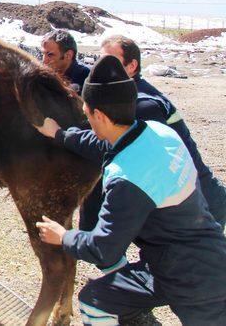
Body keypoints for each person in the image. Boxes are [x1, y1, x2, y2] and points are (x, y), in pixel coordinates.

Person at [35, 55, 226, 326]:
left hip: (190, 279)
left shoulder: (125, 178)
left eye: (87, 114)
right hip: (196, 255)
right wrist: (60, 134)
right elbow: (107, 144)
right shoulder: (158, 132)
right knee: (95, 298)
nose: (87, 120)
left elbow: (104, 248)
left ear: (98, 115)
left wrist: (63, 236)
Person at [53, 35, 226, 230]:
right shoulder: (133, 95)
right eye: (100, 62)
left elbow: (108, 146)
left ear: (132, 66)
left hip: (199, 208)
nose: (101, 69)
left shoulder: (142, 104)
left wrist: (61, 135)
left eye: (112, 62)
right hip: (184, 202)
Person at [41, 29, 90, 95]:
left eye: (50, 55)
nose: (44, 60)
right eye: (43, 54)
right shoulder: (44, 77)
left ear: (68, 55)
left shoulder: (85, 79)